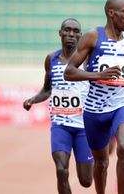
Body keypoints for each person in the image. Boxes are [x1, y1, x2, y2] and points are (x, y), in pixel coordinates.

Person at [64, 0, 124, 194]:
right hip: (95, 108)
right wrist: (98, 75)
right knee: (101, 162)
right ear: (111, 13)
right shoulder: (93, 37)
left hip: (123, 104)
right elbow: (69, 72)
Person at [23, 18, 93, 194]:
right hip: (60, 125)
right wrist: (32, 99)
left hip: (84, 127)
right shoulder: (51, 59)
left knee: (86, 181)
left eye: (75, 31)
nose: (71, 34)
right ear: (60, 33)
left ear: (80, 35)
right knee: (61, 170)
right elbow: (47, 90)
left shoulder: (87, 59)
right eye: (67, 30)